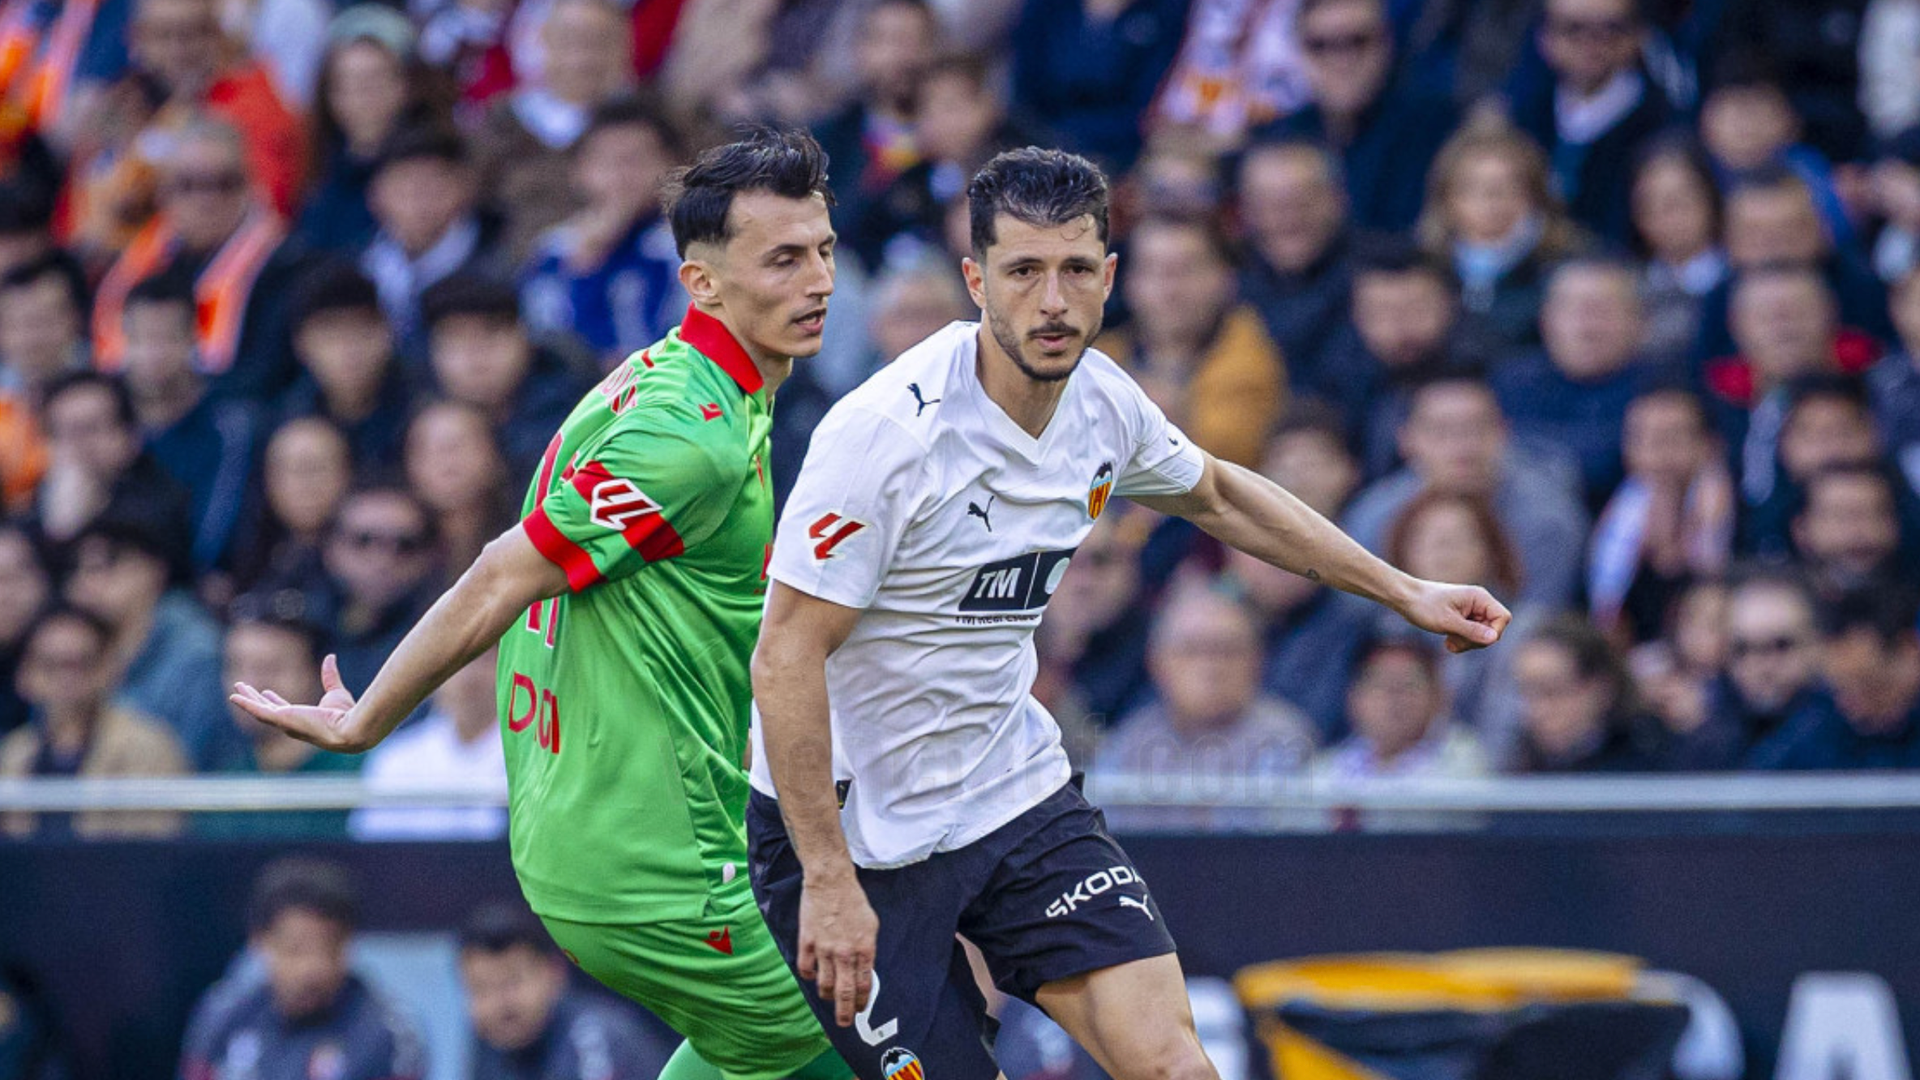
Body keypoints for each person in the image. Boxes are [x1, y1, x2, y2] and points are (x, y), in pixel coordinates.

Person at [748, 147, 1508, 1080]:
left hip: (1010, 793)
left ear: (1111, 278)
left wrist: (1406, 590)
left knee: (1178, 1068)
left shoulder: (1104, 401)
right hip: (855, 833)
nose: (1053, 302)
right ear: (976, 279)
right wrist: (824, 877)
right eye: (1024, 272)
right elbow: (785, 656)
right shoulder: (884, 437)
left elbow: (1222, 496)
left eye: (1076, 270)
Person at [230, 129, 852, 1080]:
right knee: (864, 1036)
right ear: (704, 284)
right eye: (782, 259)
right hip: (656, 860)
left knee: (756, 1053)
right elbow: (500, 575)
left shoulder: (651, 378)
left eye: (823, 250)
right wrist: (367, 721)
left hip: (596, 833)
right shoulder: (694, 444)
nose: (817, 282)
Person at [89, 116, 309, 403]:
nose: (206, 199)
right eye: (188, 184)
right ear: (165, 193)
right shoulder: (140, 266)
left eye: (223, 183)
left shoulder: (291, 268)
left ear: (249, 187)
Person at [1087, 583, 1317, 832]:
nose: (1210, 667)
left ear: (1257, 659)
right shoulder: (1130, 741)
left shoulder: (1288, 738)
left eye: (1226, 650)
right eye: (1191, 650)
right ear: (1157, 662)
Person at [178, 859, 424, 1080]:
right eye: (296, 949)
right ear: (259, 942)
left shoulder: (388, 1032)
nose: (313, 968)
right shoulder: (223, 1015)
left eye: (329, 948)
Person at [520, 94, 689, 366]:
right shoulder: (555, 250)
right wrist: (586, 265)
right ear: (579, 172)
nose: (620, 176)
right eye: (605, 162)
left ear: (673, 167)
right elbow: (544, 341)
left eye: (635, 160)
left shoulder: (690, 246)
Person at [1106, 214, 1286, 468]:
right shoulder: (1098, 356)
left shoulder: (1255, 360)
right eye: (1153, 271)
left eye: (1186, 270)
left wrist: (1172, 421)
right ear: (1127, 283)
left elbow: (1232, 461)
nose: (1170, 291)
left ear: (1226, 278)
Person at [1261, 0, 1456, 232]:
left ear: (1387, 42)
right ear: (1298, 51)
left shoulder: (1438, 127)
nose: (1341, 60)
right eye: (1321, 45)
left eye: (1357, 41)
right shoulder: (1278, 139)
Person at [116, 270, 262, 572]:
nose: (152, 354)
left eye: (166, 338)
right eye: (140, 339)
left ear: (195, 337)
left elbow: (212, 541)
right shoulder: (105, 411)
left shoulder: (229, 423)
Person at [0, 605, 187, 838]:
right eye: (50, 665)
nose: (66, 679)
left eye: (81, 664)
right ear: (25, 674)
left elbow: (157, 849)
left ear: (110, 666)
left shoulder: (149, 747)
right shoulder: (14, 754)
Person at [1490, 257, 1652, 506]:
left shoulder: (1661, 389)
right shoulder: (1509, 383)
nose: (1587, 328)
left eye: (1603, 311)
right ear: (1545, 321)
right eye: (1571, 310)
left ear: (1638, 322)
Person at [1508, 0, 1672, 244]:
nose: (1591, 41)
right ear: (1544, 37)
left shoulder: (1663, 125)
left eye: (1611, 28)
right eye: (1573, 28)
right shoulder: (1520, 117)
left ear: (1638, 35)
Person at [459, 900, 676, 1080]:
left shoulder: (595, 1036)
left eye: (512, 982)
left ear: (554, 972)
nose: (500, 1004)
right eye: (481, 989)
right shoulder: (490, 1049)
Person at [1586, 388, 1734, 642]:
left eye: (1669, 438)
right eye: (1640, 438)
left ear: (1709, 445)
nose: (1653, 454)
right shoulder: (1611, 513)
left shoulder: (1738, 512)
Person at [1757, 583, 1920, 769]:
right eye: (1841, 690)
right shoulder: (1815, 731)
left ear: (1911, 654)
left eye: (1869, 687)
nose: (1853, 708)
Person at [351, 648, 506, 841]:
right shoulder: (395, 759)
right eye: (455, 664)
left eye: (484, 661)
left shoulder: (530, 755)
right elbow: (375, 848)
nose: (468, 678)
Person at [1314, 635, 1489, 780]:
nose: (1394, 696)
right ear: (1354, 697)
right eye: (1381, 683)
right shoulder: (1324, 771)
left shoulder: (1463, 762)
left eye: (1408, 684)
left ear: (1438, 697)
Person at [1508, 614, 1664, 772]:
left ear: (1601, 688)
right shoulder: (1518, 769)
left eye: (1552, 691)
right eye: (1526, 693)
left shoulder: (1654, 768)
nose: (1536, 711)